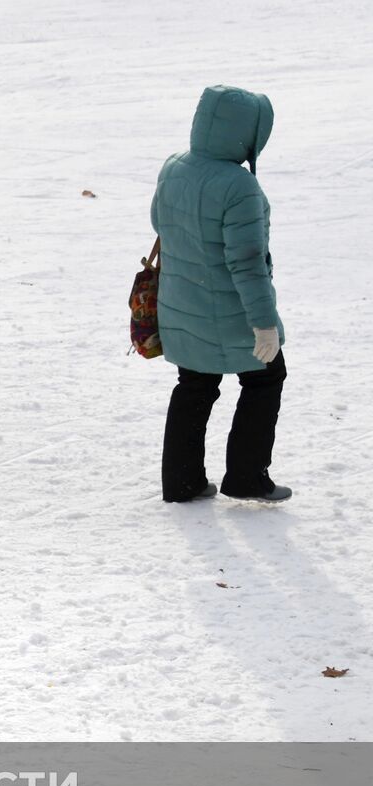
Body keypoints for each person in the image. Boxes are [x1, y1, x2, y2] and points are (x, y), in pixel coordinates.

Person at [151, 85, 291, 504]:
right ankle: (248, 476)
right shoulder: (239, 186)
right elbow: (247, 264)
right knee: (266, 377)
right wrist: (264, 325)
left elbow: (160, 222)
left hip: (182, 303)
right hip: (230, 312)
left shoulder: (174, 166)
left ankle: (181, 482)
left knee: (193, 384)